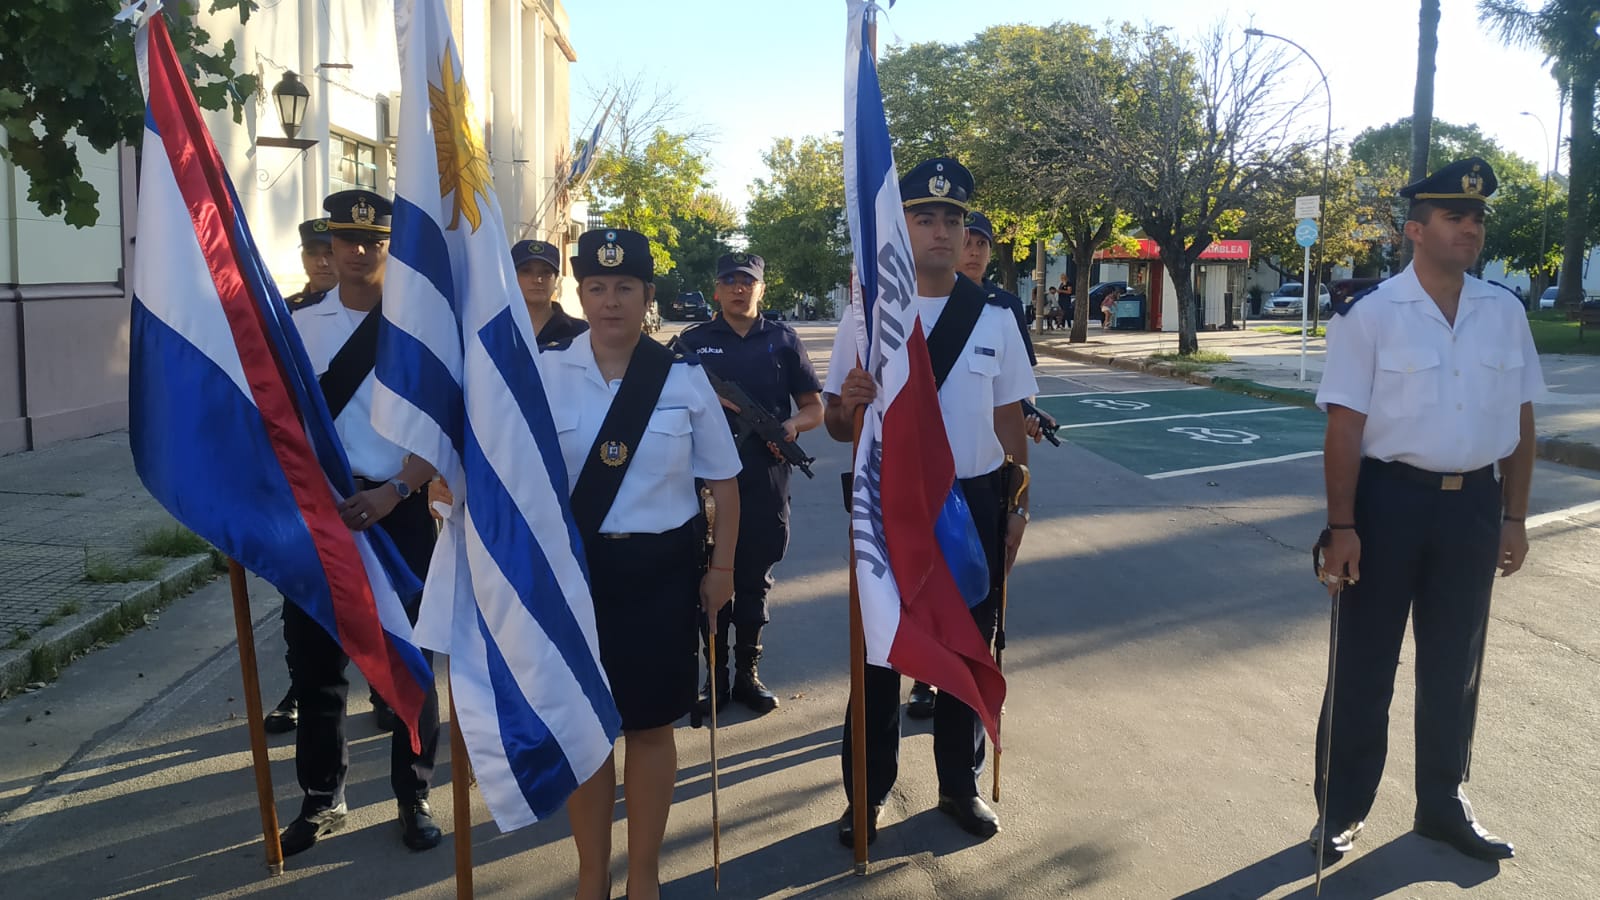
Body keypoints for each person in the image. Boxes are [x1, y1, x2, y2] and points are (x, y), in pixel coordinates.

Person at [1311, 157, 1539, 864]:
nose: (1470, 226)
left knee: (1453, 666)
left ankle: (1443, 802)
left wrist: (1515, 515)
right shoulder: (1371, 314)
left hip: (1473, 505)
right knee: (1365, 665)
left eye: (1476, 218)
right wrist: (1343, 526)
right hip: (1388, 505)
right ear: (1415, 229)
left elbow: (1522, 419)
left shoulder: (1504, 311)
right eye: (1453, 216)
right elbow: (1344, 428)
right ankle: (1341, 810)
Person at [823, 158, 1036, 843]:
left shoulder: (997, 317)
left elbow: (1011, 424)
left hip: (974, 504)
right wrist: (848, 405)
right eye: (925, 217)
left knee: (968, 649)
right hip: (890, 504)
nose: (941, 231)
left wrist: (1018, 505)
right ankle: (867, 794)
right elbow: (833, 421)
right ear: (902, 225)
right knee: (881, 654)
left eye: (953, 219)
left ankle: (957, 786)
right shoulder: (868, 313)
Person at [537, 228, 742, 900]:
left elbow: (724, 482)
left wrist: (722, 571)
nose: (610, 300)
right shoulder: (545, 372)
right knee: (589, 733)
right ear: (580, 293)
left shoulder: (681, 380)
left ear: (647, 296)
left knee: (650, 728)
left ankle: (643, 880)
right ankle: (591, 880)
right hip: (578, 577)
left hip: (661, 575)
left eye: (625, 287)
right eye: (596, 286)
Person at [278, 190, 444, 857]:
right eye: (344, 240)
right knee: (317, 667)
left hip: (395, 510)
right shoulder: (294, 324)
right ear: (328, 247)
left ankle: (415, 793)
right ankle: (323, 799)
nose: (355, 252)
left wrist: (399, 490)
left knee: (409, 666)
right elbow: (275, 420)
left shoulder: (418, 328)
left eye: (372, 242)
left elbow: (442, 427)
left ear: (389, 249)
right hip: (319, 516)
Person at [673, 251, 823, 717]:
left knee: (755, 579)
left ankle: (746, 674)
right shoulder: (692, 342)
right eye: (730, 281)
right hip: (704, 483)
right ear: (716, 289)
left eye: (748, 281)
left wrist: (791, 428)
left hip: (765, 476)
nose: (739, 288)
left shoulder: (782, 340)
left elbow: (814, 407)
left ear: (762, 288)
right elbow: (660, 400)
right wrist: (707, 396)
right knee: (708, 575)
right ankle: (713, 679)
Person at [265, 217, 346, 735]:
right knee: (306, 603)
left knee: (383, 600)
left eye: (328, 250)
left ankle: (388, 690)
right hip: (306, 487)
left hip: (369, 486)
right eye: (312, 251)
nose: (321, 260)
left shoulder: (384, 319)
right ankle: (301, 687)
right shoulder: (286, 318)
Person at [511, 238, 588, 342]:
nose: (537, 279)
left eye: (546, 272)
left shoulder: (579, 333)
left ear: (556, 279)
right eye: (526, 271)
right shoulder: (496, 330)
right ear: (511, 277)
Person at [283, 217, 338, 311]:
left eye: (330, 253)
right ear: (303, 258)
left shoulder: (364, 308)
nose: (321, 263)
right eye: (312, 253)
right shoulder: (285, 310)